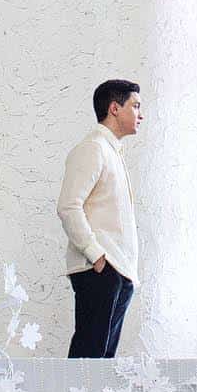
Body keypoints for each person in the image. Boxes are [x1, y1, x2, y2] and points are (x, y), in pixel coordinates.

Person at [57, 78, 143, 358]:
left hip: (118, 272)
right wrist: (96, 255)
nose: (140, 115)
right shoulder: (93, 148)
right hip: (101, 270)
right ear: (114, 108)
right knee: (88, 361)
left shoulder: (111, 151)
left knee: (102, 366)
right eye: (135, 106)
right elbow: (69, 206)